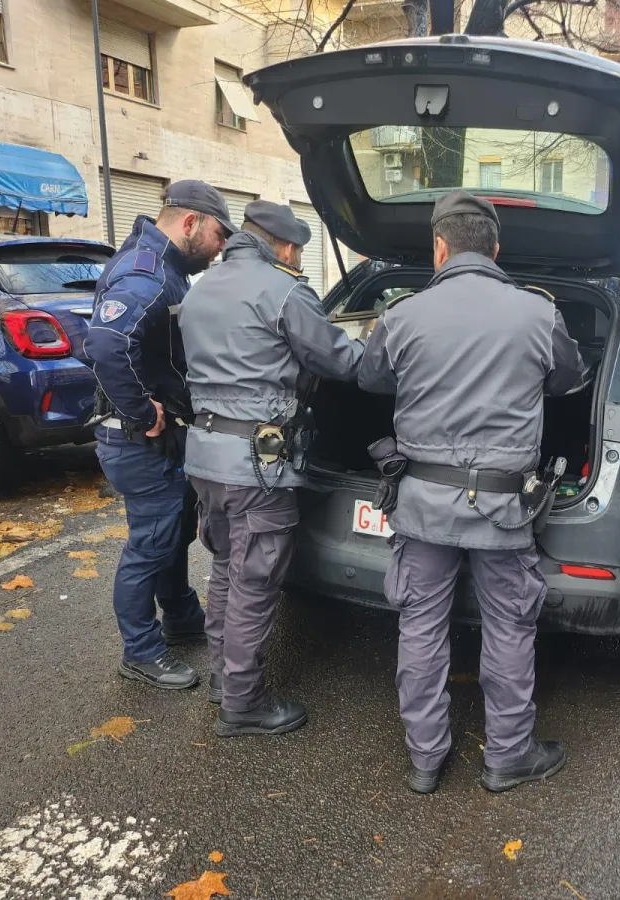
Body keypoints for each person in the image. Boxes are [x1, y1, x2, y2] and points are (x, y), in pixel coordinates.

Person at [357, 191, 585, 795]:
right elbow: (570, 380)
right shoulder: (538, 313)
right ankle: (508, 757)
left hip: (423, 507)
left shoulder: (403, 314)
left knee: (421, 627)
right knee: (509, 627)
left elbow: (369, 377)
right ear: (496, 247)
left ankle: (425, 758)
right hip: (505, 511)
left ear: (439, 246)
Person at [178, 200, 364, 737]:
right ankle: (243, 705)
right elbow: (340, 361)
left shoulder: (202, 288)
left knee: (228, 571)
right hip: (257, 466)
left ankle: (223, 679)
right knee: (255, 581)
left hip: (207, 456)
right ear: (284, 247)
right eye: (298, 252)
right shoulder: (283, 290)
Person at [84, 180, 233, 690]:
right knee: (150, 542)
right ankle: (141, 651)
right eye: (218, 235)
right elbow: (105, 343)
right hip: (138, 439)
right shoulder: (145, 271)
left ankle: (180, 616)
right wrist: (138, 411)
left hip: (159, 437)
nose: (220, 249)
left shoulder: (166, 268)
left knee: (172, 532)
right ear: (189, 222)